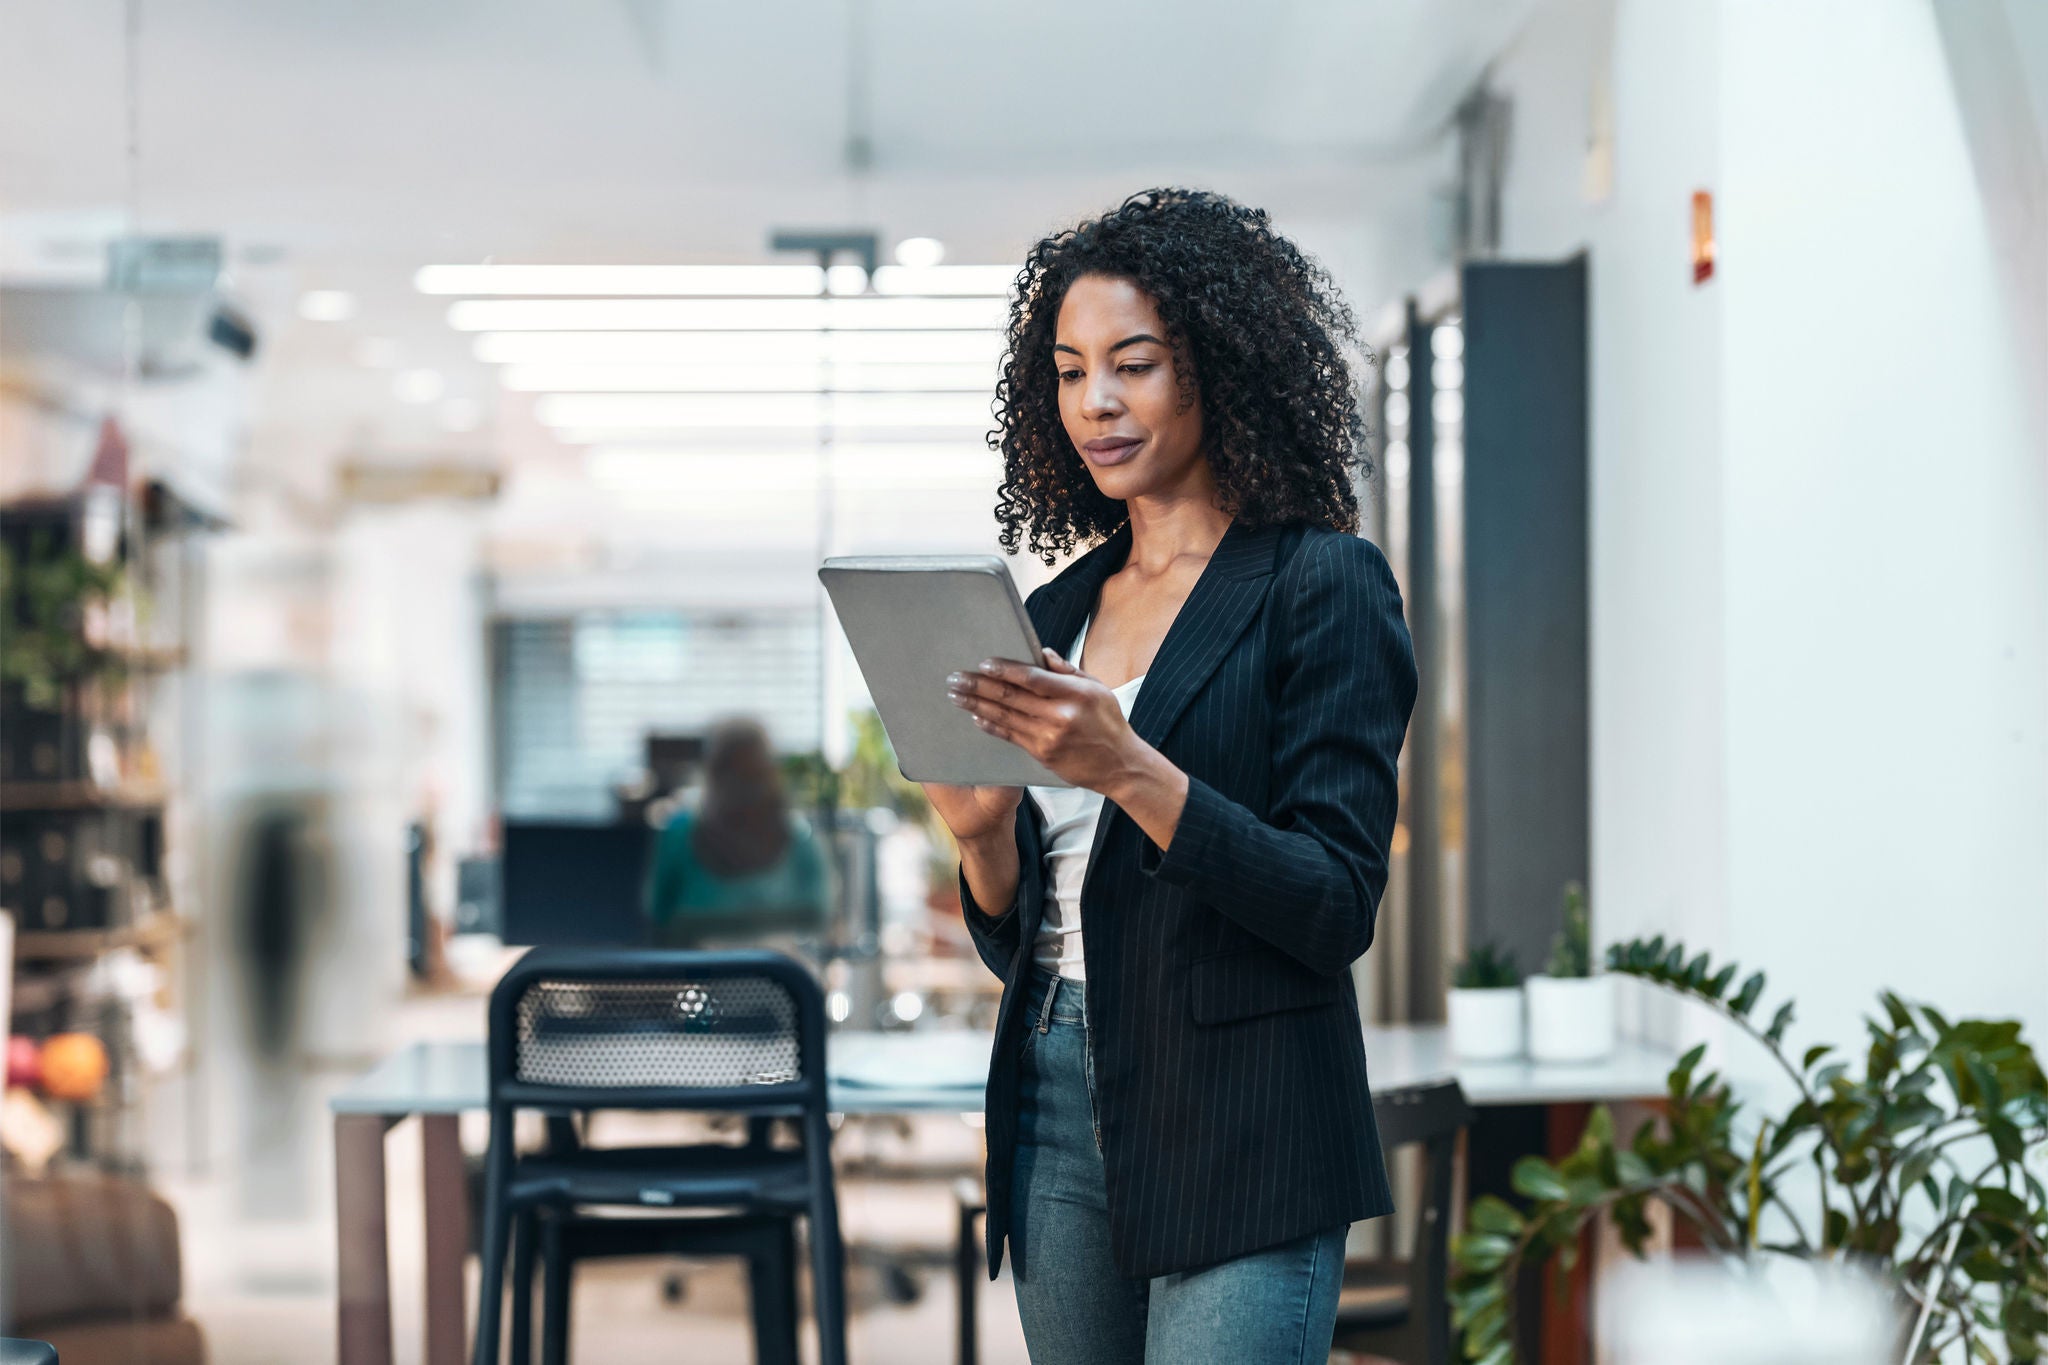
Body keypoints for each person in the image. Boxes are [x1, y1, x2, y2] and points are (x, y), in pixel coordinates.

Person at [925, 188, 1419, 1364]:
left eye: (1133, 364)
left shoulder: (1320, 583)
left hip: (1244, 1103)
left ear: (1220, 368)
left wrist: (1130, 770)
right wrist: (980, 838)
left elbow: (1333, 900)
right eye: (1067, 370)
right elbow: (1025, 936)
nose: (1095, 401)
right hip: (1055, 1087)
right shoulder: (1050, 613)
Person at [644, 718, 830, 948]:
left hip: (781, 977)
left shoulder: (800, 837)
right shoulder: (679, 834)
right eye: (733, 773)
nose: (743, 789)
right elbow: (657, 916)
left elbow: (817, 917)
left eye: (752, 775)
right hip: (694, 978)